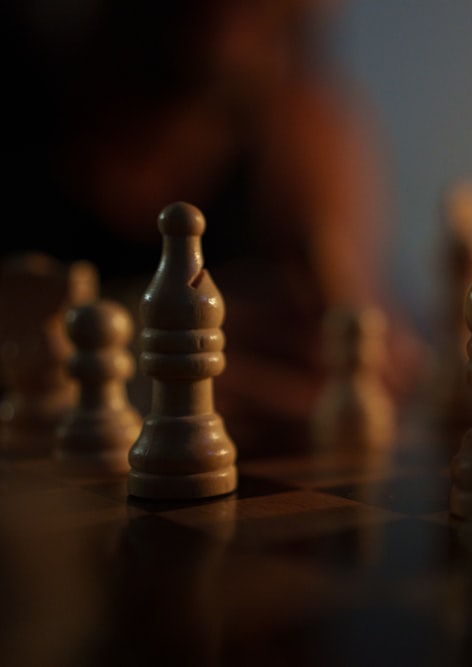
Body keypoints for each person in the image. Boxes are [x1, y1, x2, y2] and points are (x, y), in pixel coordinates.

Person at [2, 0, 425, 455]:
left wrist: (368, 354)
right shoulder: (20, 81)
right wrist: (118, 374)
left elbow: (362, 333)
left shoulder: (305, 132)